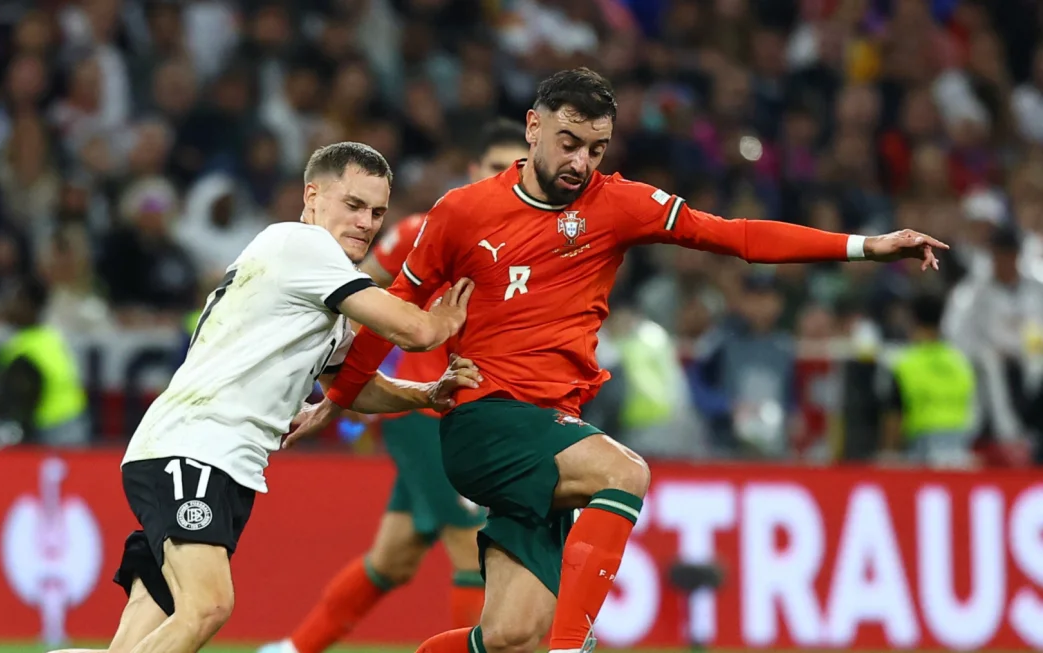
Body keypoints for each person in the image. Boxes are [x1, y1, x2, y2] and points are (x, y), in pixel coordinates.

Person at [286, 68, 947, 653]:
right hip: (485, 420)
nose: (580, 161)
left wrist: (868, 244)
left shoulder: (617, 203)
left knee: (512, 636)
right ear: (533, 127)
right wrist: (339, 400)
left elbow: (737, 237)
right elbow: (390, 306)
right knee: (624, 472)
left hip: (549, 429)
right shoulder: (462, 213)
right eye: (568, 142)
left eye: (595, 149)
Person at [49, 142, 482, 653]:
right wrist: (443, 323)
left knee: (141, 637)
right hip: (195, 449)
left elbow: (354, 387)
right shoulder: (301, 247)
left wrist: (427, 392)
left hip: (220, 461)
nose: (366, 222)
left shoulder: (328, 294)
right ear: (312, 196)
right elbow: (411, 330)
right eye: (353, 205)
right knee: (208, 605)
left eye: (377, 211)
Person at [259, 120, 528, 653]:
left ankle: (294, 650)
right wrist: (344, 379)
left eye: (516, 170)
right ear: (474, 173)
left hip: (477, 413)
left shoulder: (530, 244)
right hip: (426, 414)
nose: (506, 179)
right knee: (473, 548)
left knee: (394, 558)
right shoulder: (421, 231)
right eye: (496, 168)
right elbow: (362, 294)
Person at [0, 275, 90, 447]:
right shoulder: (52, 339)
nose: (9, 306)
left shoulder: (24, 353)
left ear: (29, 306)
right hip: (75, 428)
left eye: (15, 300)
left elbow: (16, 406)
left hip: (51, 436)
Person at [880, 292, 977, 467]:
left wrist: (890, 456)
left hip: (921, 452)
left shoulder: (904, 364)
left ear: (913, 321)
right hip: (959, 452)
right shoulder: (960, 362)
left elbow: (894, 416)